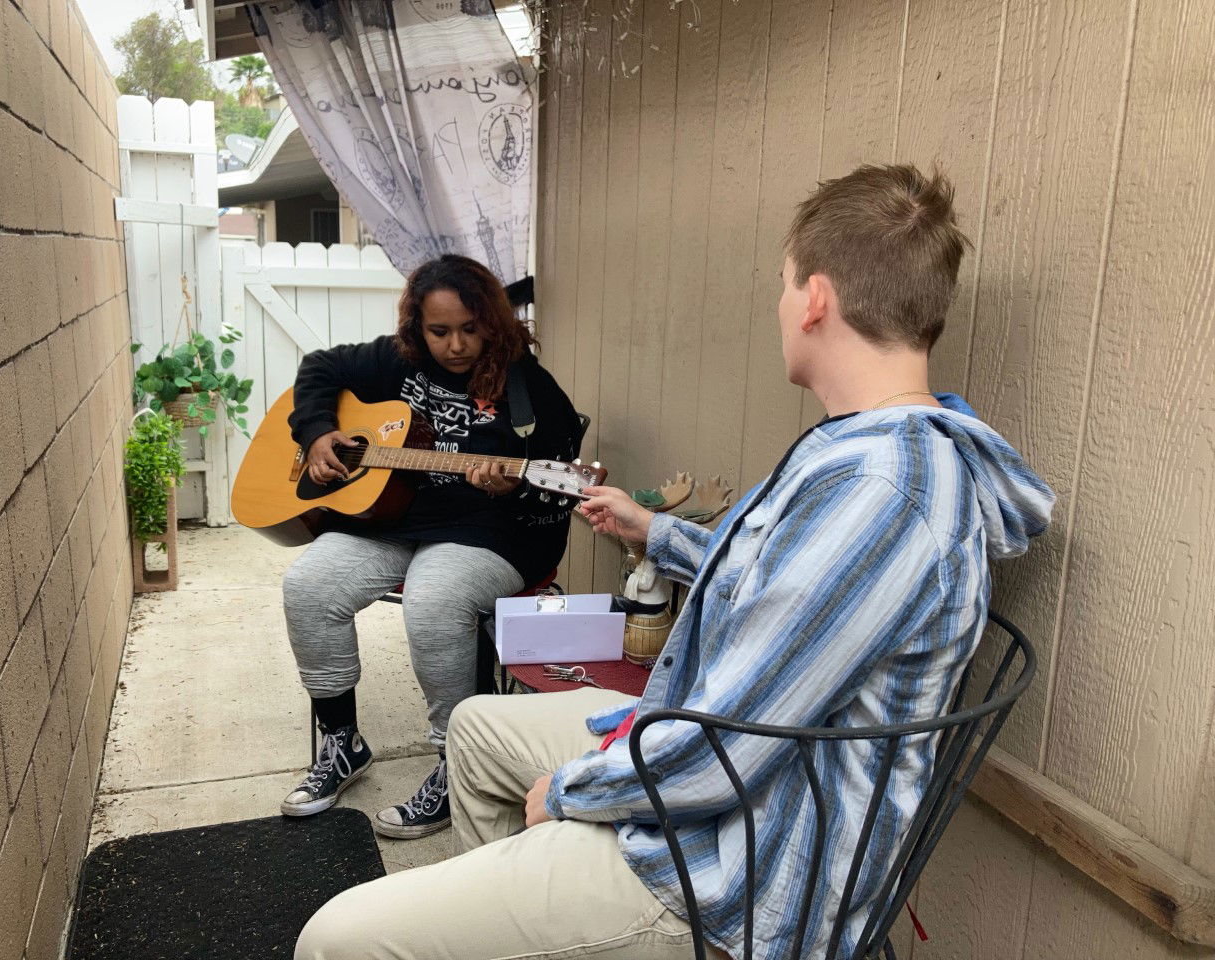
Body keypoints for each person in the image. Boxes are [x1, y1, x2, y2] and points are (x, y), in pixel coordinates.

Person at [292, 164, 1055, 959]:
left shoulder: (881, 494)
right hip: (715, 768)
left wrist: (572, 793)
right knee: (479, 728)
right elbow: (777, 584)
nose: (782, 305)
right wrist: (655, 530)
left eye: (786, 285)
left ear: (817, 299)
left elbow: (721, 750)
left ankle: (558, 914)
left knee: (334, 939)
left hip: (737, 869)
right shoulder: (866, 450)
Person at [279, 254, 581, 839]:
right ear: (417, 326)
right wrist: (316, 431)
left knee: (433, 598)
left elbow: (559, 479)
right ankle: (342, 743)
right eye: (439, 331)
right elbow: (319, 367)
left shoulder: (527, 385)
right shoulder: (396, 361)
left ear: (493, 321)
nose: (457, 345)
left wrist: (510, 483)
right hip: (395, 519)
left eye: (471, 329)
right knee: (309, 586)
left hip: (490, 531)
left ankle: (459, 760)